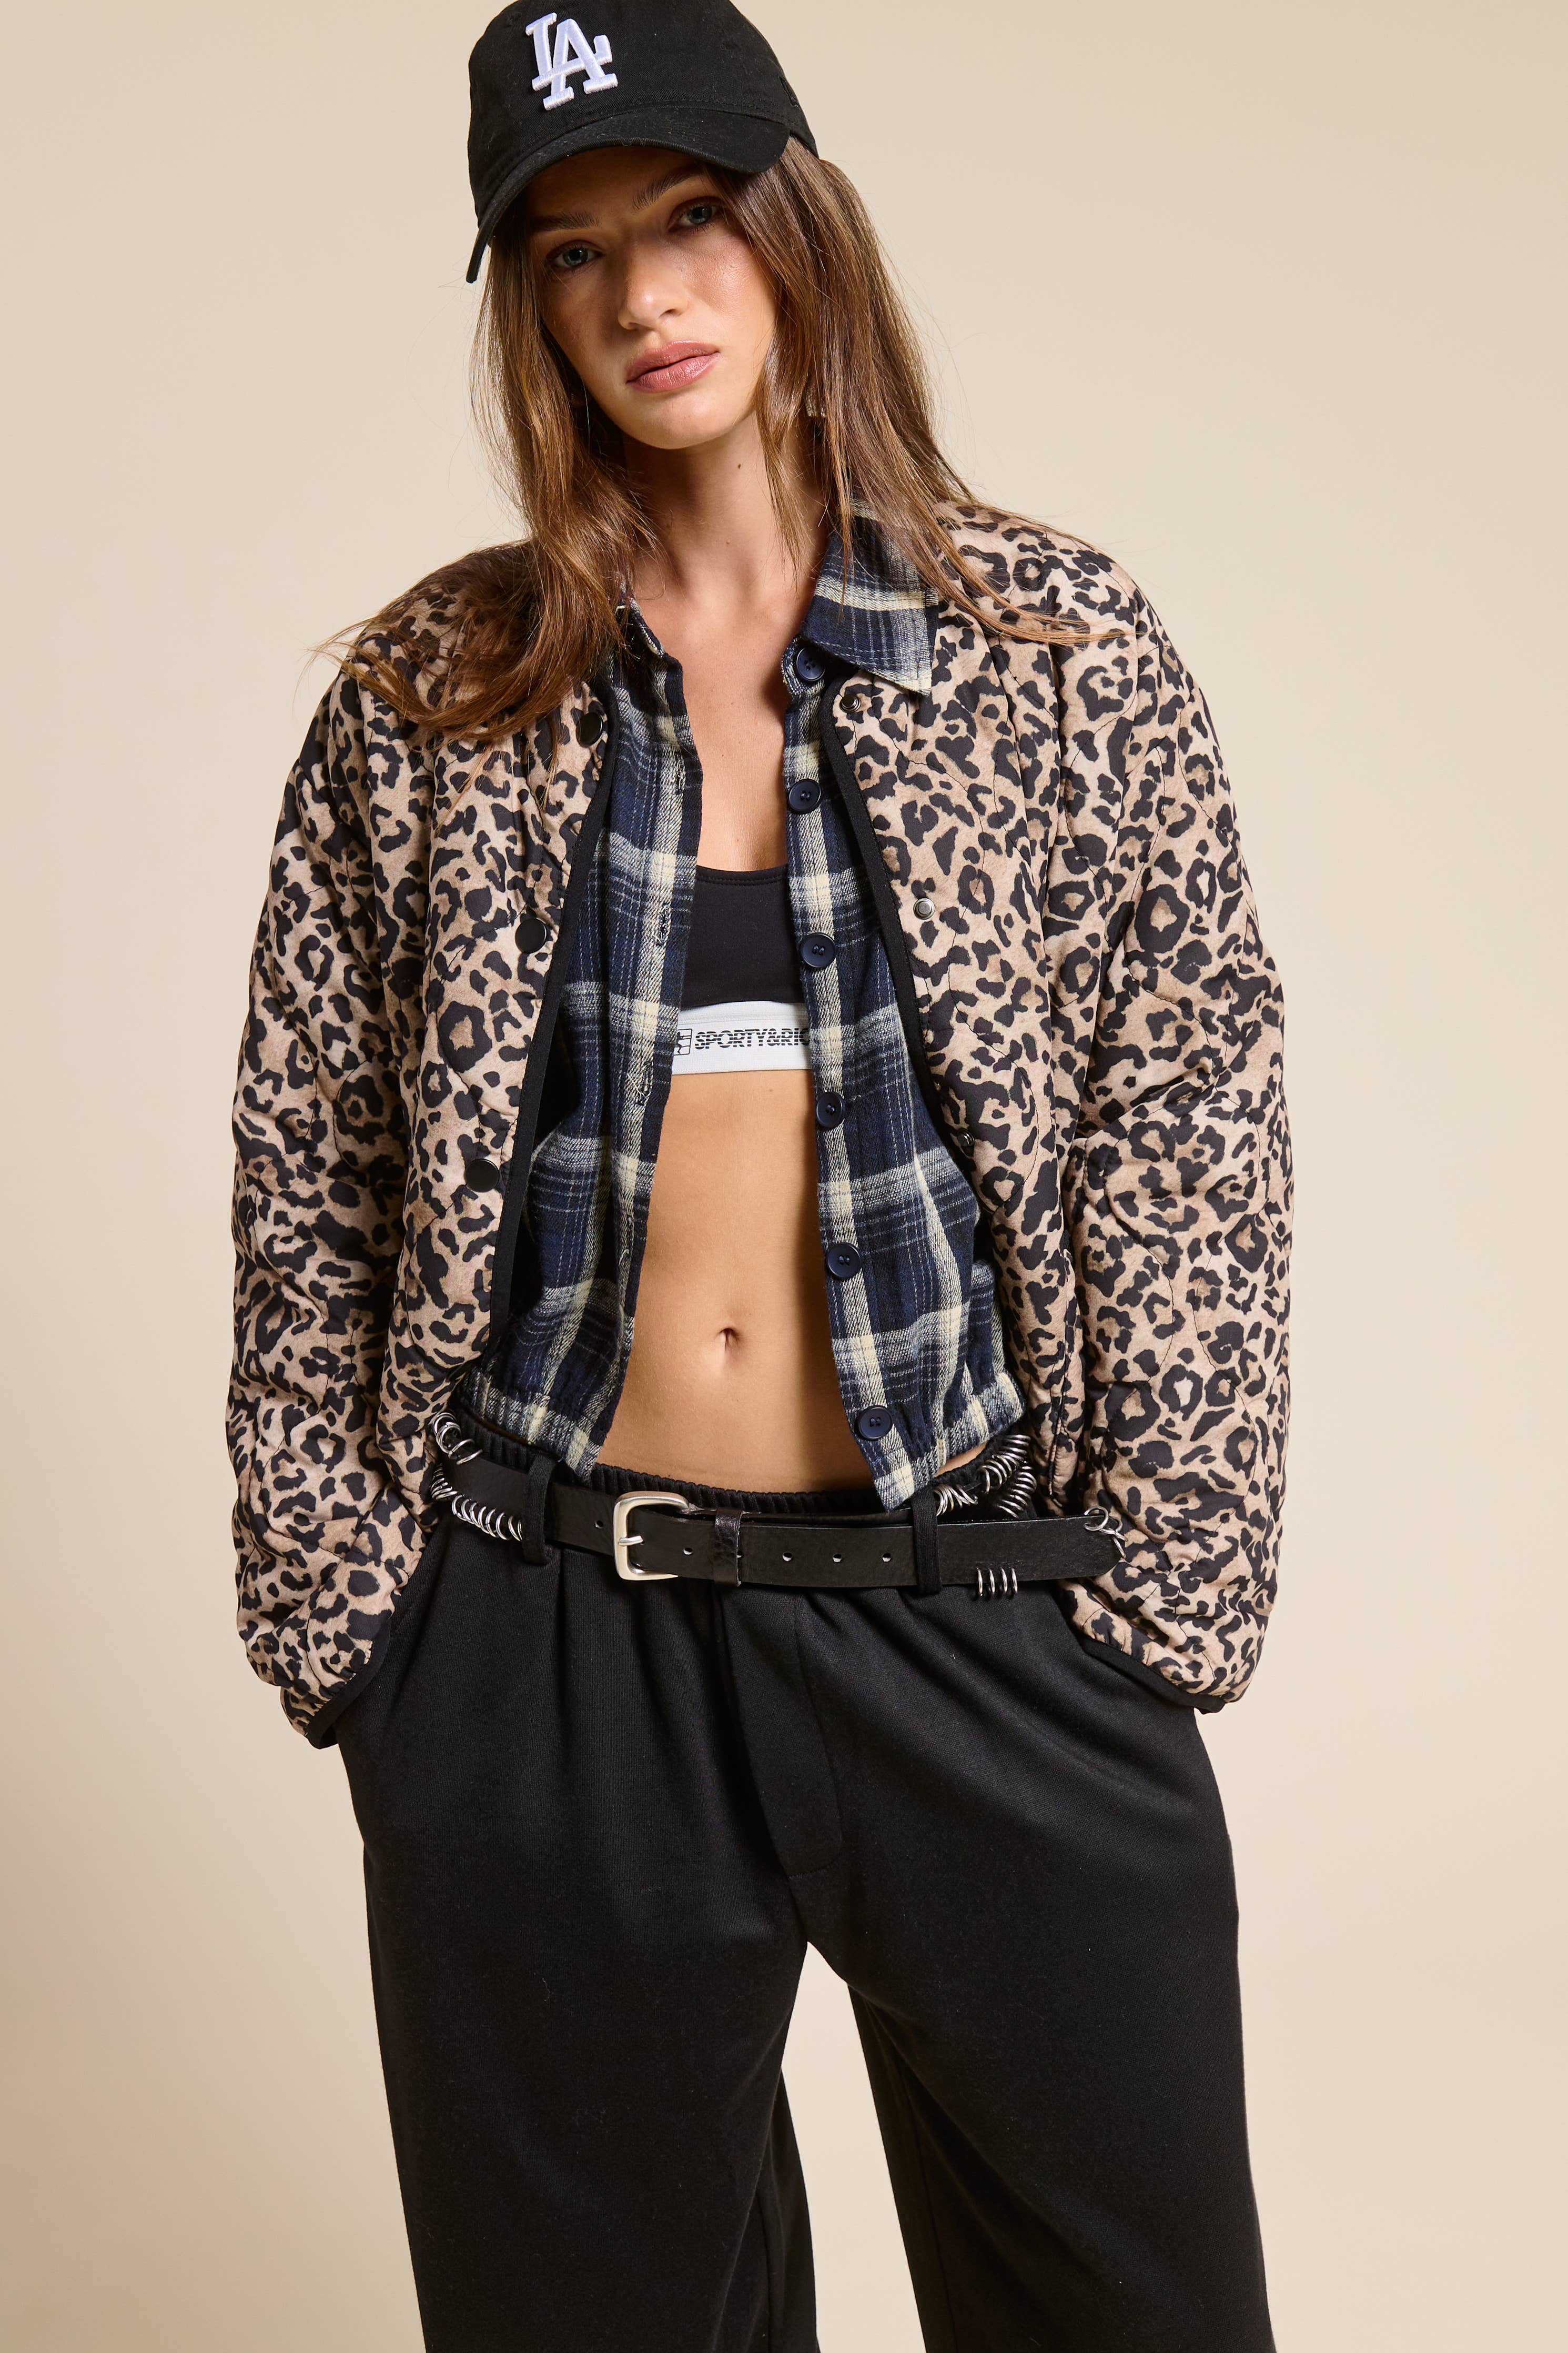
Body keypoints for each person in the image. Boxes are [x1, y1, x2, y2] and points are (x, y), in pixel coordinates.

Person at [227, 3, 1291, 2345]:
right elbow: (315, 1161)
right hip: (551, 1636)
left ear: (800, 228)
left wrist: (1167, 1583)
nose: (643, 295)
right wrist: (361, 1623)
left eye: (692, 217)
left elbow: (1191, 1100)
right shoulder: (435, 693)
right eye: (571, 250)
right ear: (527, 307)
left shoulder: (1052, 654)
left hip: (977, 1605)